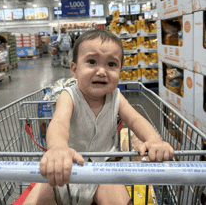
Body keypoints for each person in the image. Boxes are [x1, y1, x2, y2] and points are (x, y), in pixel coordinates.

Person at [23, 29, 174, 205]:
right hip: (66, 167)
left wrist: (154, 140)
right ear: (74, 69)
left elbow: (135, 120)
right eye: (92, 62)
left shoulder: (116, 97)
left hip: (104, 170)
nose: (102, 71)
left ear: (120, 71)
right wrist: (57, 149)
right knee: (38, 198)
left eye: (111, 64)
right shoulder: (69, 96)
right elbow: (59, 123)